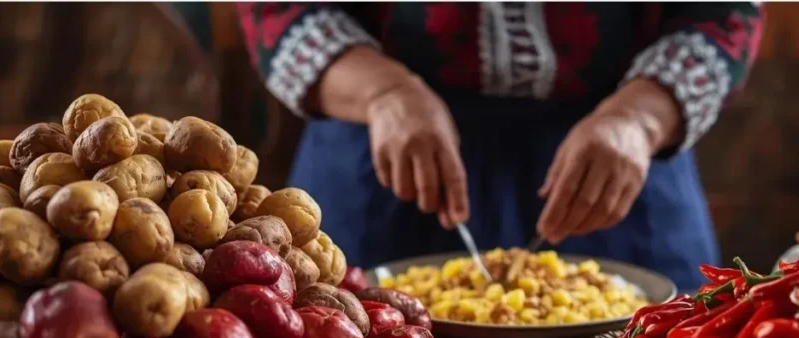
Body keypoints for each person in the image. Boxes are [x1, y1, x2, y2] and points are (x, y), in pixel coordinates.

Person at [238, 3, 764, 291]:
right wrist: (384, 92)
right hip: (380, 151)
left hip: (624, 156)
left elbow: (721, 13)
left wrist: (639, 118)